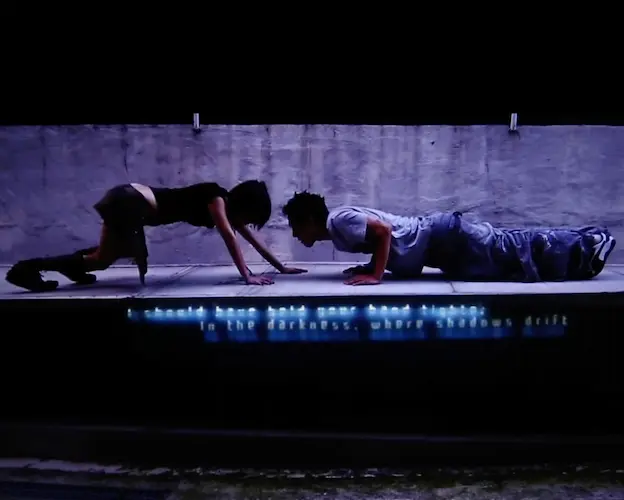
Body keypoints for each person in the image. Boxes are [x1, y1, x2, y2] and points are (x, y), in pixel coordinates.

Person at [6, 180, 307, 292]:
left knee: (101, 260)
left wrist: (281, 267)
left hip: (129, 199)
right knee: (115, 258)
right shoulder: (217, 198)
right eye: (251, 218)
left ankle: (68, 268)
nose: (248, 225)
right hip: (132, 201)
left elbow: (252, 241)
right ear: (244, 206)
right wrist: (247, 277)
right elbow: (230, 238)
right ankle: (25, 270)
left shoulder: (225, 208)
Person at [281, 191, 616, 285]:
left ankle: (588, 243)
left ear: (310, 219)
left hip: (440, 237)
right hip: (441, 246)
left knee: (510, 248)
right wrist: (369, 267)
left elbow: (384, 231)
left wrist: (376, 275)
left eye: (296, 227)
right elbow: (381, 237)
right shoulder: (339, 228)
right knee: (508, 261)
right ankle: (582, 257)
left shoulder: (338, 219)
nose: (296, 234)